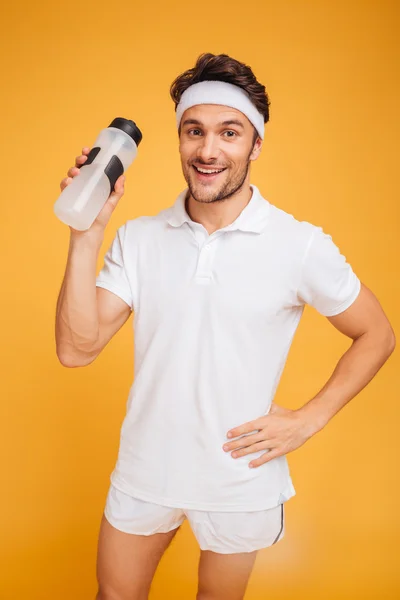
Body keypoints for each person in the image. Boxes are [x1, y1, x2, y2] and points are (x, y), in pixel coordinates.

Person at [55, 52, 396, 600]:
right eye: (194, 132)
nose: (208, 150)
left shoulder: (299, 244)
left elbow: (378, 333)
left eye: (229, 133)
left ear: (256, 144)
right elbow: (77, 348)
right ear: (180, 139)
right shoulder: (139, 238)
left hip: (239, 479)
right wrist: (86, 234)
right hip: (146, 468)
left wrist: (309, 419)